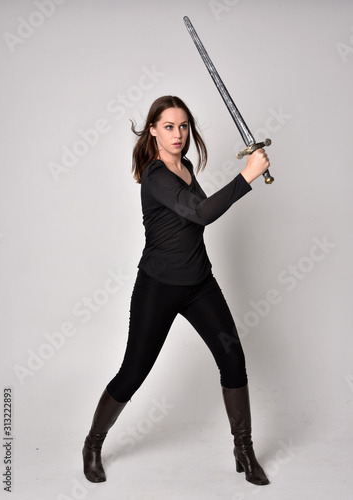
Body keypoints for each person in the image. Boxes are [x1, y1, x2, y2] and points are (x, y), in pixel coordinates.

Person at [82, 95, 271, 486]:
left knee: (233, 359)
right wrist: (247, 176)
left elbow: (199, 216)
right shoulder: (155, 175)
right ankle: (93, 444)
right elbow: (201, 213)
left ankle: (244, 449)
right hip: (159, 287)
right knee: (133, 372)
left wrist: (242, 179)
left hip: (200, 284)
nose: (178, 134)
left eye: (183, 126)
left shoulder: (184, 167)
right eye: (169, 126)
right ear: (152, 129)